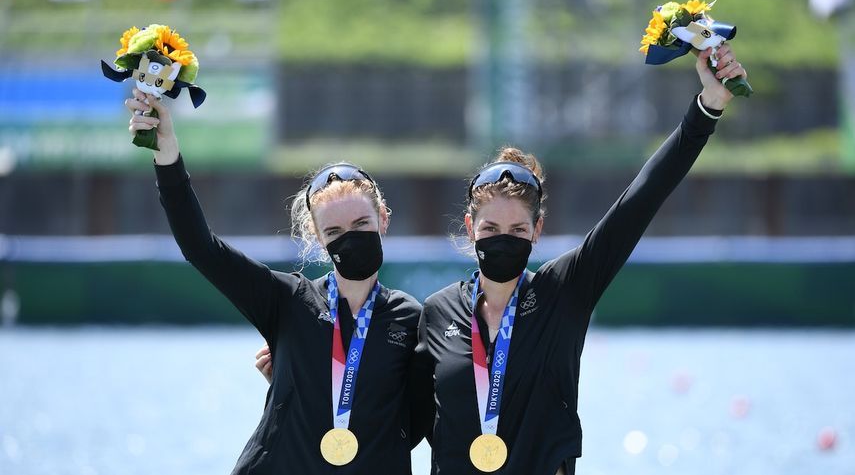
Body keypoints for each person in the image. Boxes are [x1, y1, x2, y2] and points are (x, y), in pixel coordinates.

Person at [418, 46, 746, 474]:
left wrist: (707, 108)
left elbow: (640, 200)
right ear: (469, 228)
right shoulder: (437, 311)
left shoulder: (565, 290)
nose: (504, 240)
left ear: (537, 231)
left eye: (518, 231)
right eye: (491, 230)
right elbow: (404, 421)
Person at [125, 88, 430, 474]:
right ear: (317, 239)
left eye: (361, 224)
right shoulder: (287, 300)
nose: (349, 237)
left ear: (383, 219)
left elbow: (421, 422)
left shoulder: (413, 319)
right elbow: (201, 249)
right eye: (334, 230)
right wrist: (165, 150)